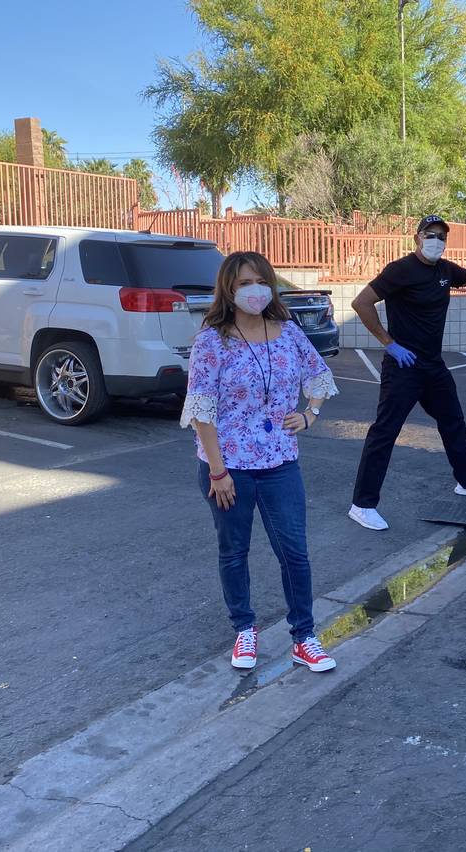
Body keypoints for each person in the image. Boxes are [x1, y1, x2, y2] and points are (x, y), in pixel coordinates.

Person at [181, 251, 340, 672]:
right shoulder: (212, 340)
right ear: (229, 291)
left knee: (294, 551)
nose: (254, 290)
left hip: (280, 463)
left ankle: (304, 637)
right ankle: (245, 630)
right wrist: (218, 471)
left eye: (260, 281)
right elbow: (201, 410)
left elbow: (318, 376)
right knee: (234, 550)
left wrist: (310, 414)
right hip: (227, 467)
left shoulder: (287, 333)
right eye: (243, 283)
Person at [347, 215, 466, 530]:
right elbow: (361, 302)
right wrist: (389, 344)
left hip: (433, 366)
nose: (437, 240)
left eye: (442, 236)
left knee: (453, 422)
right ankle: (362, 505)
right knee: (384, 432)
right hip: (403, 366)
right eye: (431, 234)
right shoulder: (400, 270)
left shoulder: (446, 270)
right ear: (418, 238)